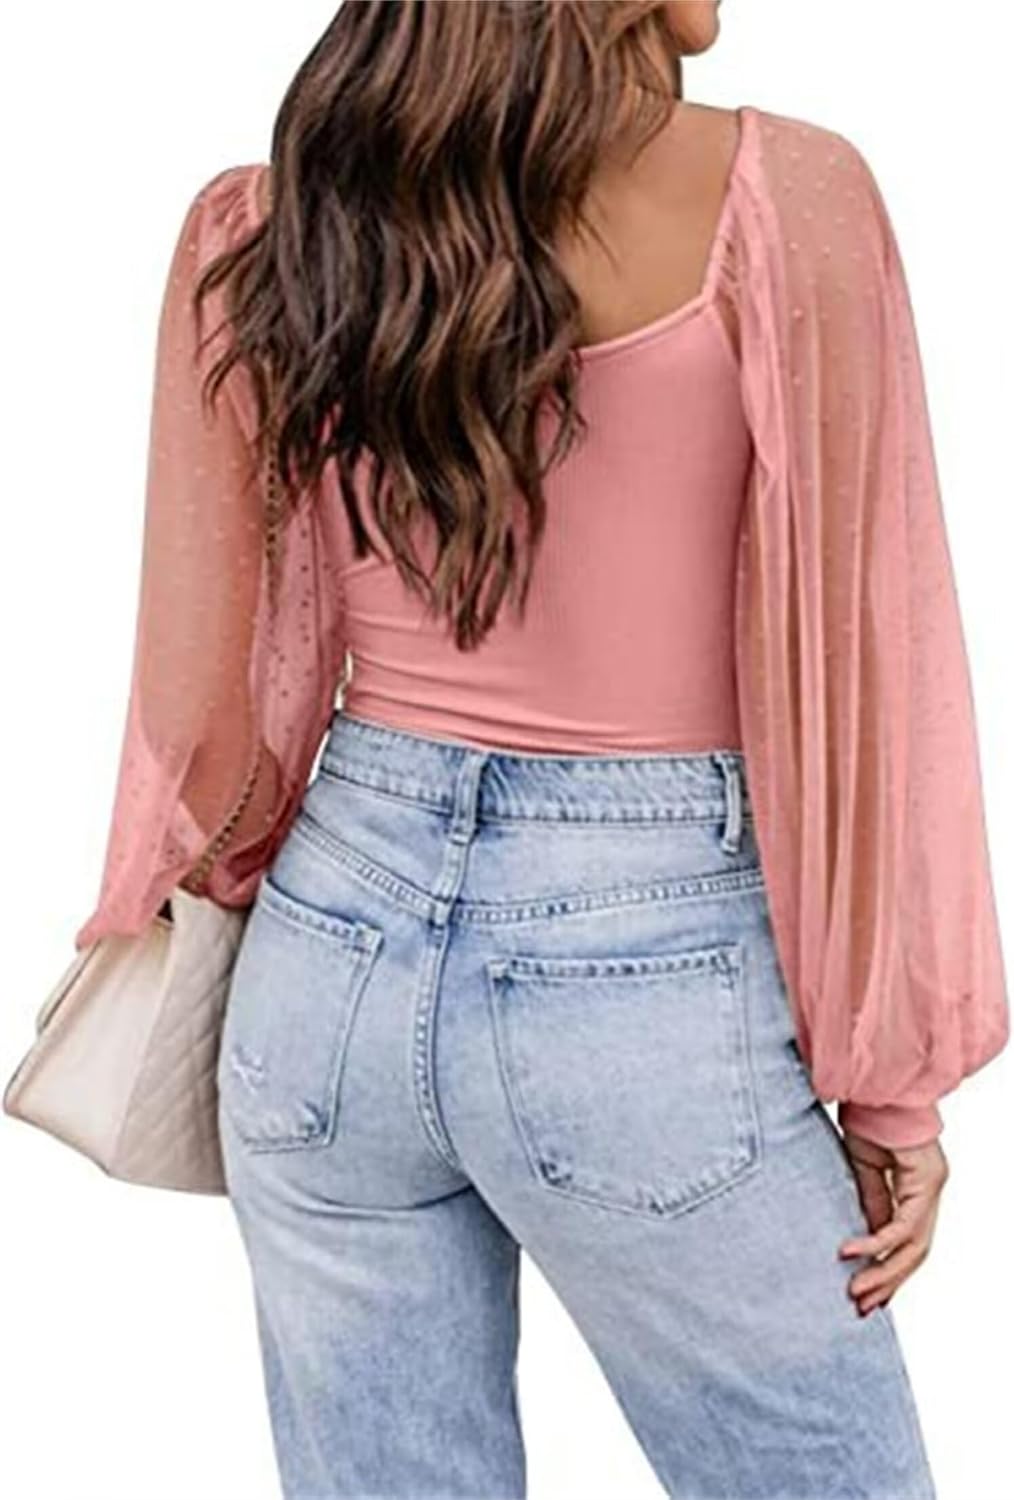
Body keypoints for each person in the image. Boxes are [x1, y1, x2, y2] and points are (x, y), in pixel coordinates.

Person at [75, 3, 1008, 1496]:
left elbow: (203, 713)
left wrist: (223, 904)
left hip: (326, 966)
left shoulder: (269, 225)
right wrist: (889, 1081)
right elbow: (865, 668)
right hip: (646, 974)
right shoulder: (783, 195)